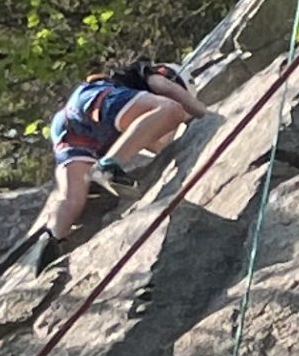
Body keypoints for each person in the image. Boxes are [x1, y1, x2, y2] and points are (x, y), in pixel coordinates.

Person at [31, 58, 200, 272]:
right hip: (98, 99)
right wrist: (199, 112)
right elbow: (166, 95)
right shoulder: (151, 76)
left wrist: (173, 121)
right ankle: (108, 166)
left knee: (73, 199)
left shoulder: (141, 110)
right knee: (170, 109)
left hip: (73, 128)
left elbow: (158, 145)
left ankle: (52, 241)